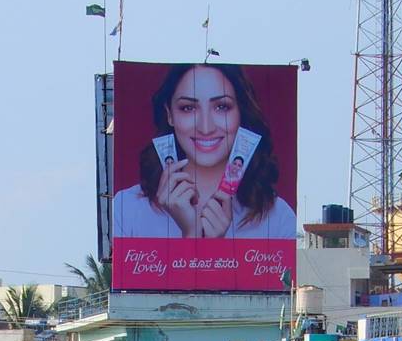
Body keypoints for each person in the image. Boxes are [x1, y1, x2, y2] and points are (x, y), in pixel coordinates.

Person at [111, 64, 298, 241]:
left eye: (221, 107)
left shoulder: (278, 218)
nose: (206, 127)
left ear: (240, 113)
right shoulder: (127, 208)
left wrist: (214, 246)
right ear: (169, 114)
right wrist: (191, 235)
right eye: (188, 108)